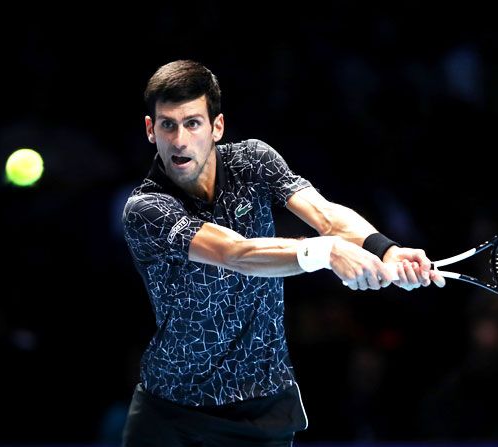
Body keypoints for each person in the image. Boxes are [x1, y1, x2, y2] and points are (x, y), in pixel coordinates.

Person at [121, 59, 445, 447]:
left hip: (264, 408)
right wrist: (323, 252)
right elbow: (234, 252)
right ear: (150, 130)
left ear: (216, 127)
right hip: (172, 413)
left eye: (192, 123)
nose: (179, 140)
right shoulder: (146, 209)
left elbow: (325, 215)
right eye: (167, 124)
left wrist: (385, 249)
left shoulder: (253, 161)